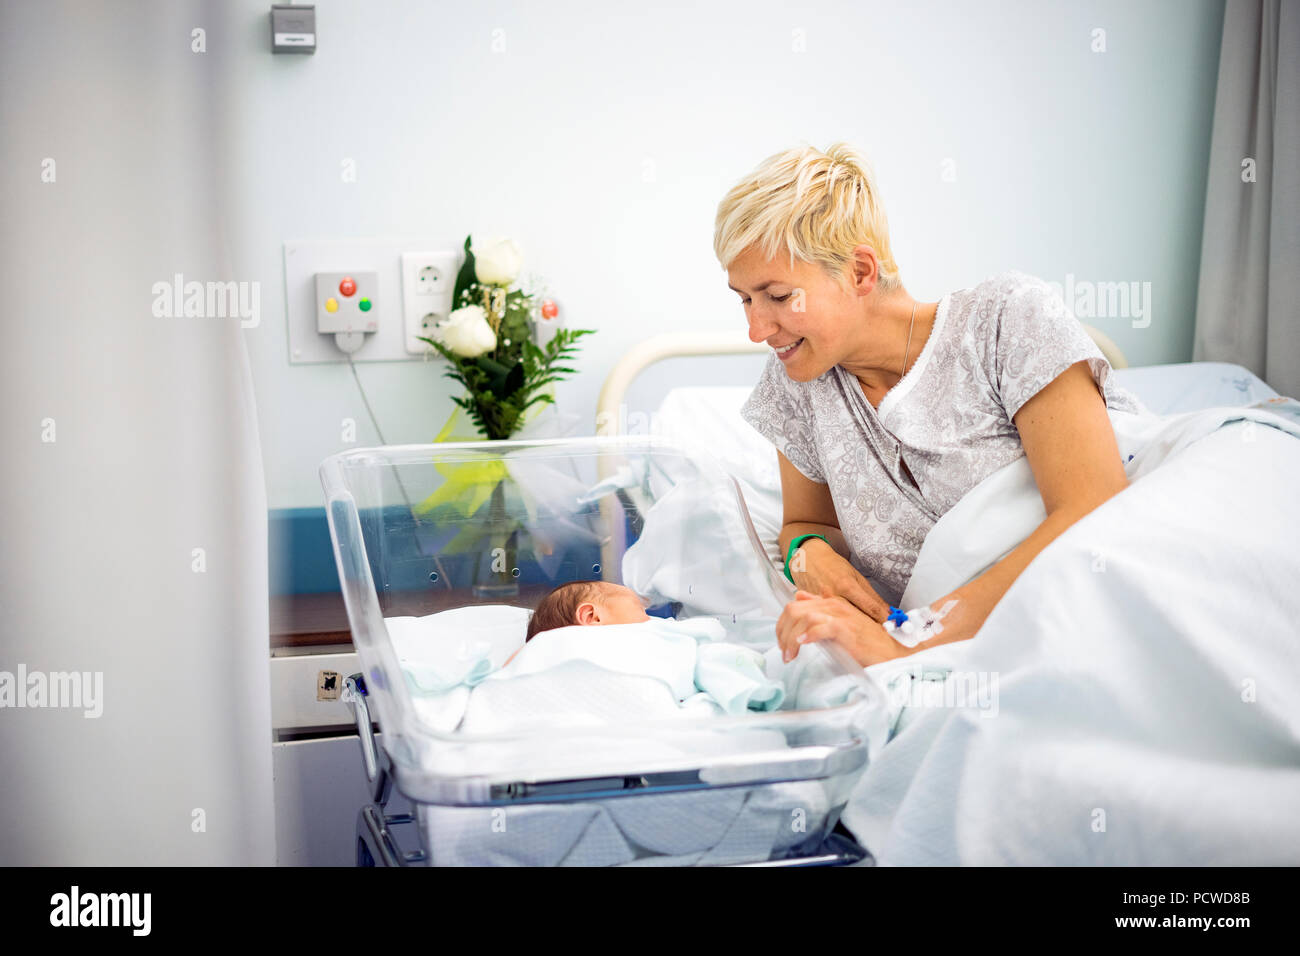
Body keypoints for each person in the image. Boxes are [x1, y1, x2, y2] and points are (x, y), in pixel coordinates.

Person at [714, 142, 1144, 668]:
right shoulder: (798, 382)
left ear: (860, 272)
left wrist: (912, 638)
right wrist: (811, 556)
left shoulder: (1005, 321)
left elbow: (1092, 508)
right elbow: (806, 523)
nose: (757, 330)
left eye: (778, 297)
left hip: (1083, 607)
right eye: (744, 299)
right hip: (946, 651)